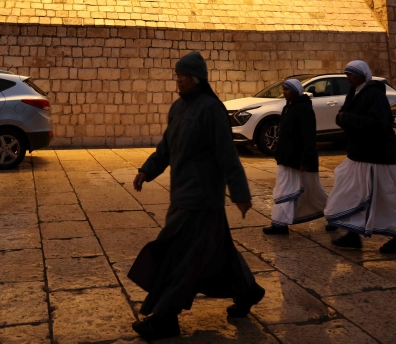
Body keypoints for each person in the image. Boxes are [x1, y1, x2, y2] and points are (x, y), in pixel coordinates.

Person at [128, 51, 265, 341]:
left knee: (182, 259)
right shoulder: (179, 108)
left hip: (201, 201)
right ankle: (248, 290)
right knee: (219, 253)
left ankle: (165, 318)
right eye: (176, 74)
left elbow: (227, 154)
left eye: (182, 75)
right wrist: (146, 170)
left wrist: (239, 192)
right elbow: (166, 146)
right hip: (182, 196)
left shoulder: (211, 109)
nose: (177, 80)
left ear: (196, 78)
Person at [324, 60, 396, 252]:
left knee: (386, 198)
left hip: (377, 156)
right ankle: (352, 234)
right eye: (347, 74)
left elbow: (376, 124)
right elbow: (344, 114)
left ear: (362, 75)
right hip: (359, 155)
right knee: (351, 193)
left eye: (351, 74)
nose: (348, 78)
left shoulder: (374, 95)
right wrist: (343, 118)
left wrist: (346, 118)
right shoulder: (354, 92)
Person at [262, 79, 328, 235]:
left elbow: (308, 137)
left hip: (298, 160)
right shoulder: (288, 108)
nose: (284, 93)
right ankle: (280, 223)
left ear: (295, 91)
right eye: (283, 89)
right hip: (287, 159)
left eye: (287, 90)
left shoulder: (304, 109)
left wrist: (306, 160)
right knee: (291, 190)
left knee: (309, 191)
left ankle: (335, 214)